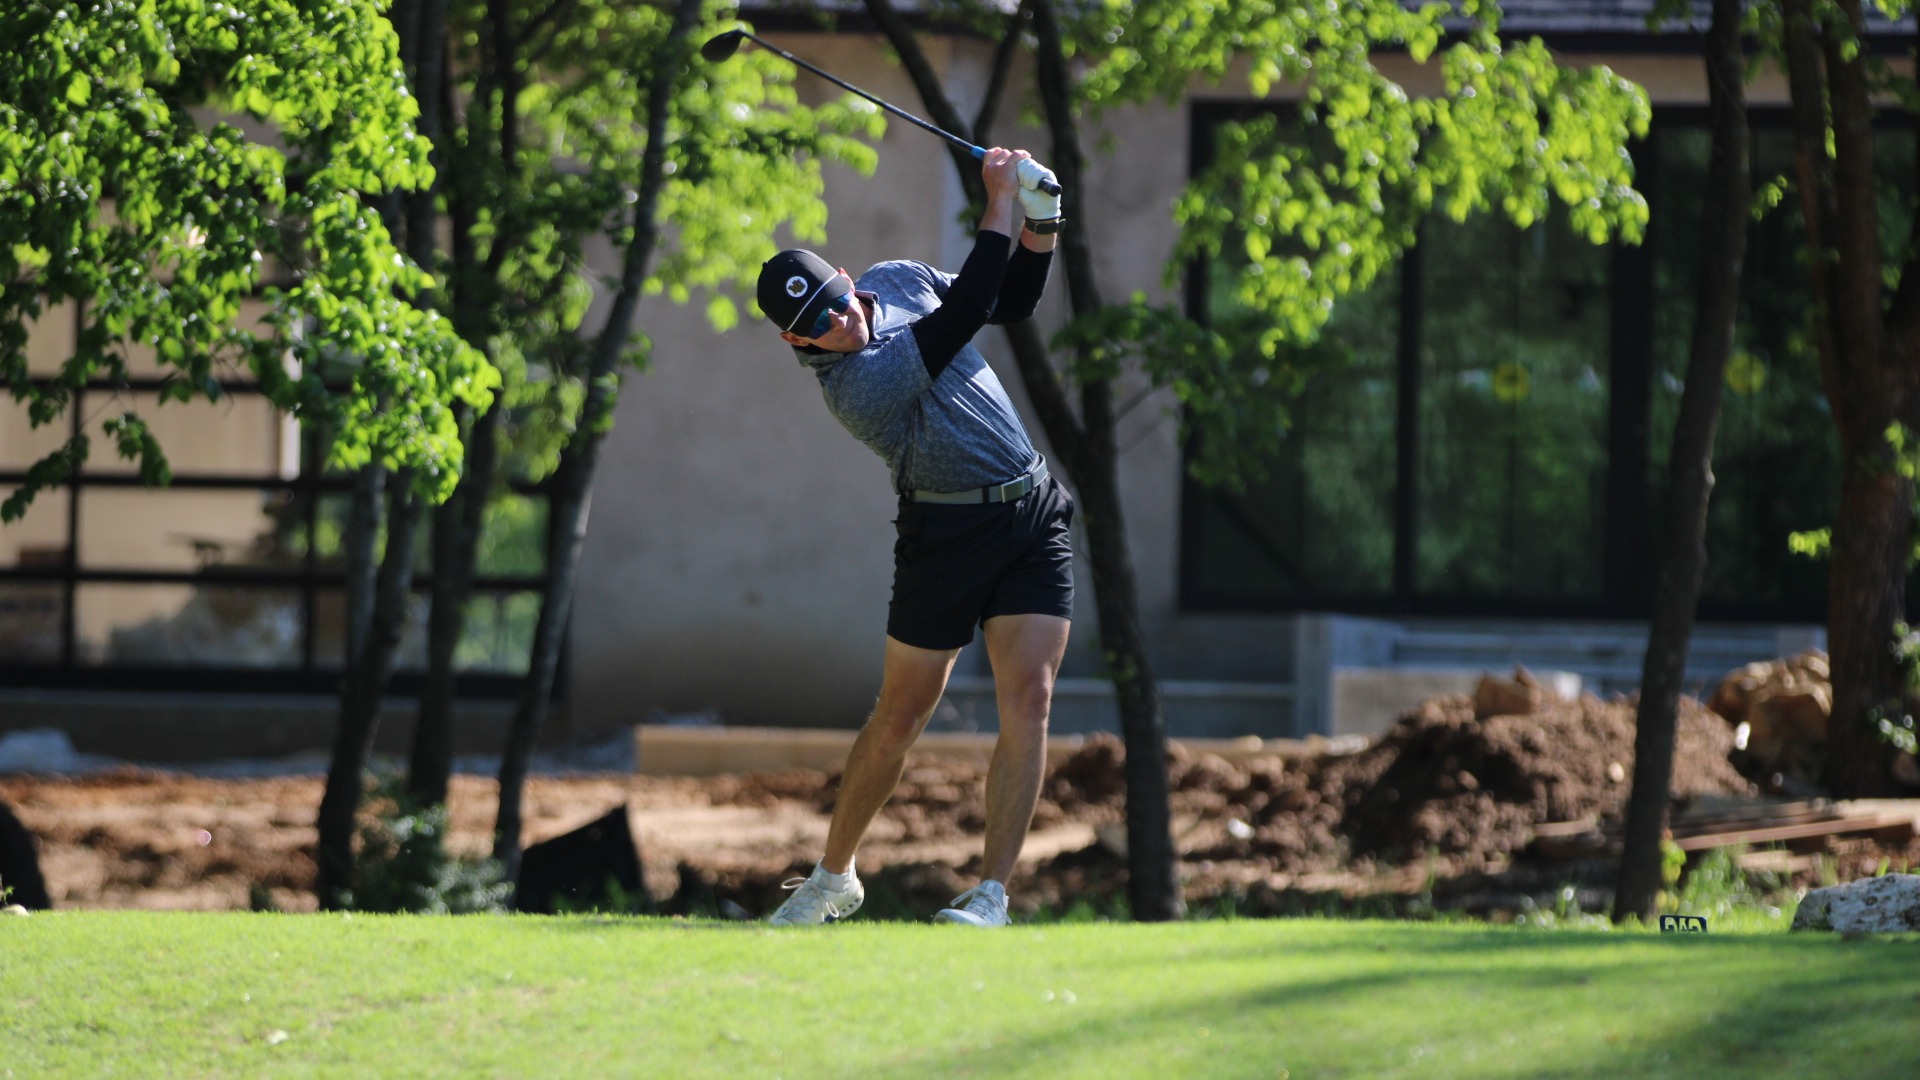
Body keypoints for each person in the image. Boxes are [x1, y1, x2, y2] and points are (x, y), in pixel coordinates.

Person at [756, 147, 1070, 927]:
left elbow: (1006, 300)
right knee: (901, 716)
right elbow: (962, 318)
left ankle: (991, 895)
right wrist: (997, 200)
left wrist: (1042, 221)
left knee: (1030, 697)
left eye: (836, 300)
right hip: (946, 535)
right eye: (816, 324)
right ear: (797, 344)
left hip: (1031, 511)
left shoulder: (896, 279)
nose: (840, 321)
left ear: (846, 277)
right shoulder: (852, 387)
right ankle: (834, 876)